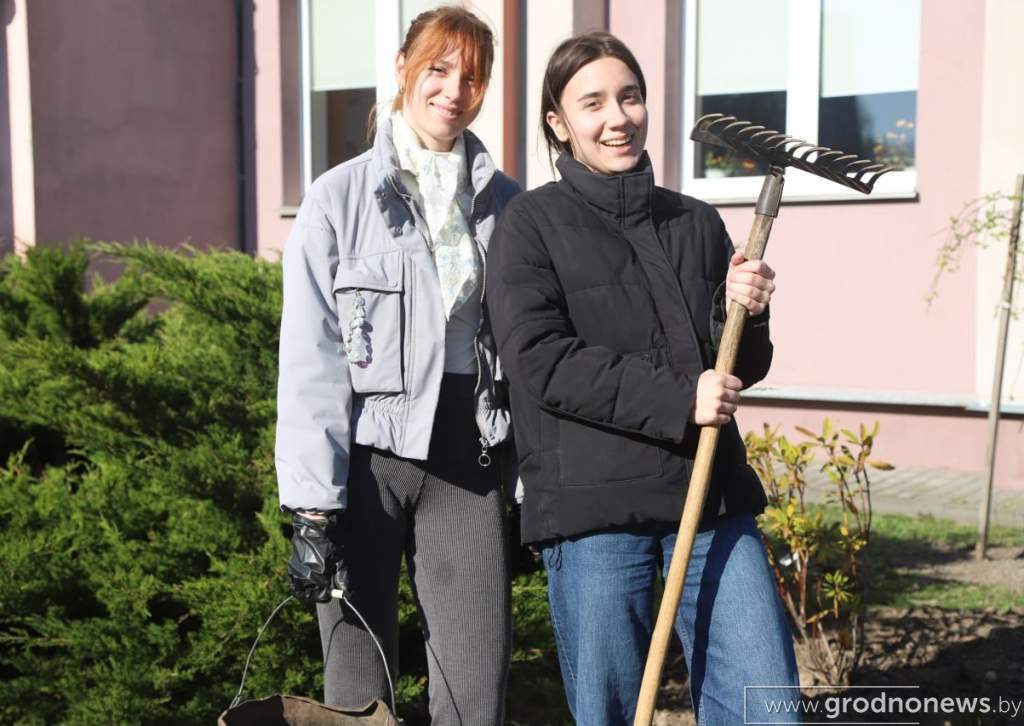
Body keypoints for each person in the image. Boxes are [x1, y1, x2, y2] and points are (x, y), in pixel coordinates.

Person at [486, 32, 800, 726]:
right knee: (610, 712)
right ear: (557, 123)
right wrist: (678, 398)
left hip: (709, 498)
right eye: (591, 103)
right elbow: (540, 359)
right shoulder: (529, 225)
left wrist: (746, 311)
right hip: (595, 514)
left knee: (766, 707)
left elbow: (738, 366)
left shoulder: (694, 221)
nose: (617, 116)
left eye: (628, 96)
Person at [274, 7, 520, 724]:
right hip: (365, 465)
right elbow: (311, 361)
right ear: (404, 69)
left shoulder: (508, 206)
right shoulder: (338, 198)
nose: (454, 89)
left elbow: (525, 353)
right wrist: (314, 509)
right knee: (355, 689)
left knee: (476, 690)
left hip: (464, 461)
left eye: (471, 76)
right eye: (438, 69)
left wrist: (531, 484)